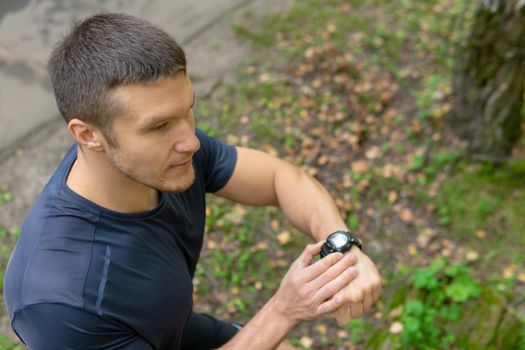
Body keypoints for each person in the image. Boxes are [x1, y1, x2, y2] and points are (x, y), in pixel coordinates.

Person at [3, 13, 381, 350]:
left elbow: (282, 178)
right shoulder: (62, 301)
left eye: (188, 112)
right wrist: (282, 312)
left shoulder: (166, 156)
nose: (191, 141)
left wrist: (340, 246)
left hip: (172, 327)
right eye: (159, 126)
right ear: (88, 135)